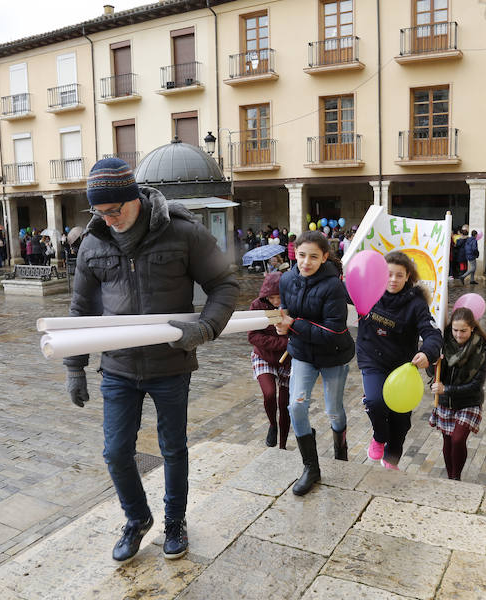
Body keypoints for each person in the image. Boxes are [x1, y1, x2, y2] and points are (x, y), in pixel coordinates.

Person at [63, 158, 238, 564]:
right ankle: (137, 519)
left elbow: (224, 284)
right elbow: (81, 310)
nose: (108, 220)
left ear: (134, 199)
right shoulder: (93, 243)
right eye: (99, 213)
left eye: (114, 211)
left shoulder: (183, 232)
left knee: (173, 448)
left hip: (170, 366)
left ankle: (175, 522)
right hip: (118, 368)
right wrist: (75, 367)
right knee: (115, 452)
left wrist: (206, 328)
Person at [276, 230, 354, 496]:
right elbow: (285, 312)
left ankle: (340, 450)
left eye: (313, 256)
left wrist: (294, 325)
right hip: (302, 354)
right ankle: (311, 467)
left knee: (334, 410)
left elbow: (333, 331)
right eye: (301, 255)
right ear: (294, 254)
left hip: (334, 354)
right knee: (296, 406)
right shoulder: (286, 279)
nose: (306, 262)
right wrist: (282, 327)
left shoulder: (334, 286)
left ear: (324, 257)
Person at [357, 251, 443, 470]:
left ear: (408, 277)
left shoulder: (416, 304)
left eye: (399, 275)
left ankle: (392, 459)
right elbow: (337, 291)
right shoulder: (368, 292)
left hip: (402, 367)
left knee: (401, 419)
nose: (393, 280)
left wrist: (428, 353)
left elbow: (432, 334)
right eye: (388, 274)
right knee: (375, 402)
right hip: (372, 360)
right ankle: (379, 437)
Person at [428, 307, 486, 481]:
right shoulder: (443, 344)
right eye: (455, 330)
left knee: (457, 439)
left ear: (472, 328)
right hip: (445, 402)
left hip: (469, 402)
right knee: (447, 441)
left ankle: (456, 477)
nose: (458, 335)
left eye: (463, 331)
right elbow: (433, 374)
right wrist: (433, 363)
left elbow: (476, 386)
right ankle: (451, 478)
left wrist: (446, 389)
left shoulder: (483, 351)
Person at [247, 272, 292, 450]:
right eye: (271, 297)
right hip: (264, 355)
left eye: (279, 297)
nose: (275, 301)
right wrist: (284, 343)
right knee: (269, 393)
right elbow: (253, 336)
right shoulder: (257, 305)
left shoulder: (293, 304)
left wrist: (290, 344)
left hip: (289, 358)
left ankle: (282, 446)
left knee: (285, 404)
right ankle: (272, 425)